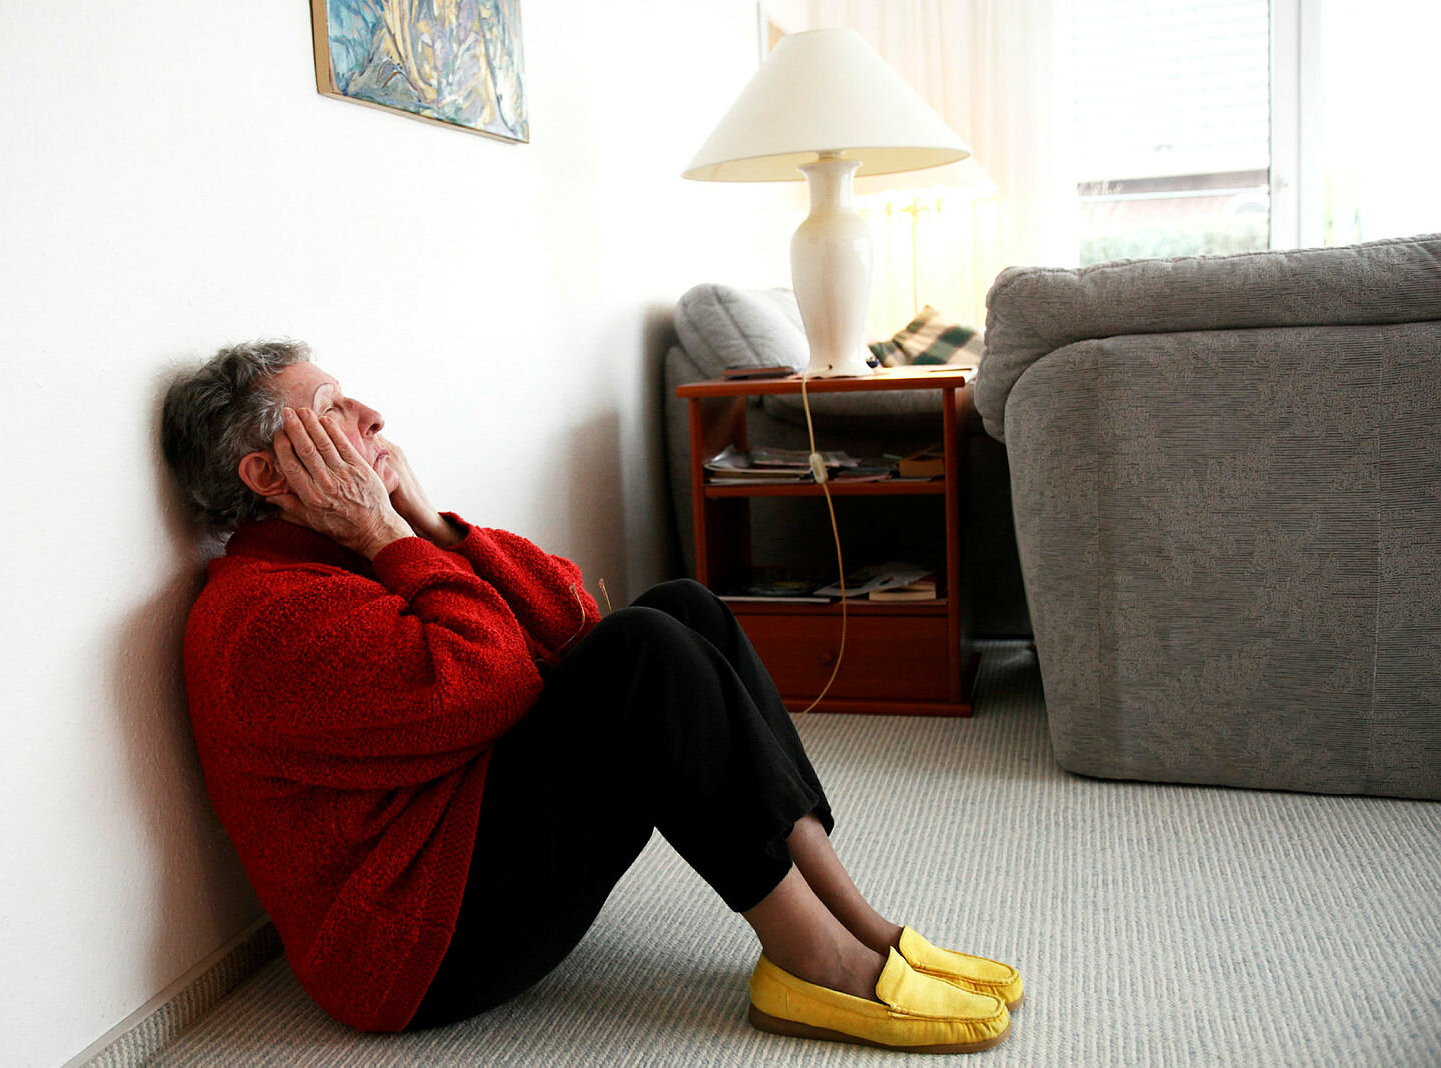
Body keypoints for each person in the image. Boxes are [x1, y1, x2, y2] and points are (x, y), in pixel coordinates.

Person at [160, 339, 1022, 1053]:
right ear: (270, 477)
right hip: (414, 944)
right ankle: (813, 962)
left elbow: (568, 614)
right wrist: (386, 532)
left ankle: (857, 920)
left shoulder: (353, 554)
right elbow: (496, 680)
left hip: (456, 835)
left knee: (680, 608)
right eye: (335, 412)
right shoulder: (262, 619)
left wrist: (425, 523)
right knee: (638, 653)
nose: (373, 415)